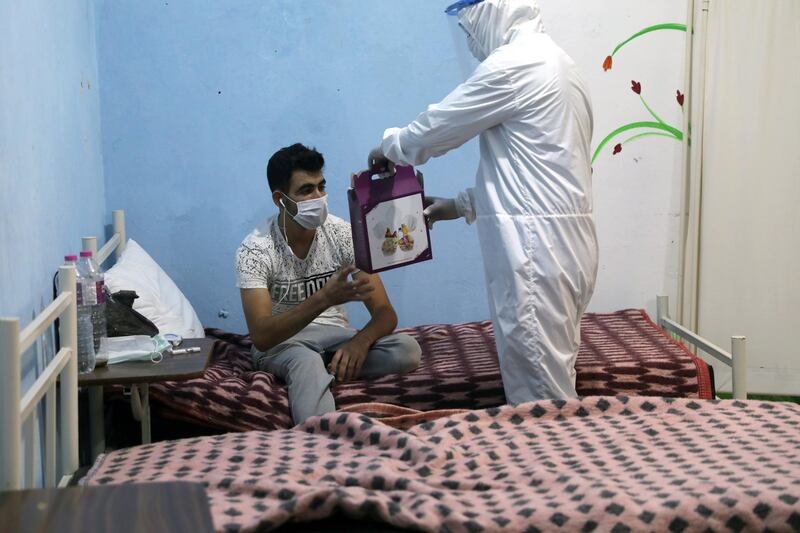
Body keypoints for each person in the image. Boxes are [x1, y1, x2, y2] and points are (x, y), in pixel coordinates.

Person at [368, 0, 598, 404]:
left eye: (468, 21)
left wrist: (390, 147)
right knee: (554, 376)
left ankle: (547, 464)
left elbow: (437, 129)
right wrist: (459, 205)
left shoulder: (513, 65)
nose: (469, 37)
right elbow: (542, 173)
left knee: (540, 399)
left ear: (492, 9)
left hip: (535, 253)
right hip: (569, 245)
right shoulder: (563, 65)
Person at [236, 143, 421, 425]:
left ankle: (329, 368)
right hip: (283, 345)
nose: (319, 197)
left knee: (406, 350)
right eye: (306, 190)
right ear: (280, 199)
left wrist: (359, 343)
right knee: (306, 361)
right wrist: (324, 299)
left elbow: (385, 313)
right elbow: (261, 335)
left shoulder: (343, 234)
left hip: (335, 339)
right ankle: (323, 442)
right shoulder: (255, 250)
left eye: (321, 186)